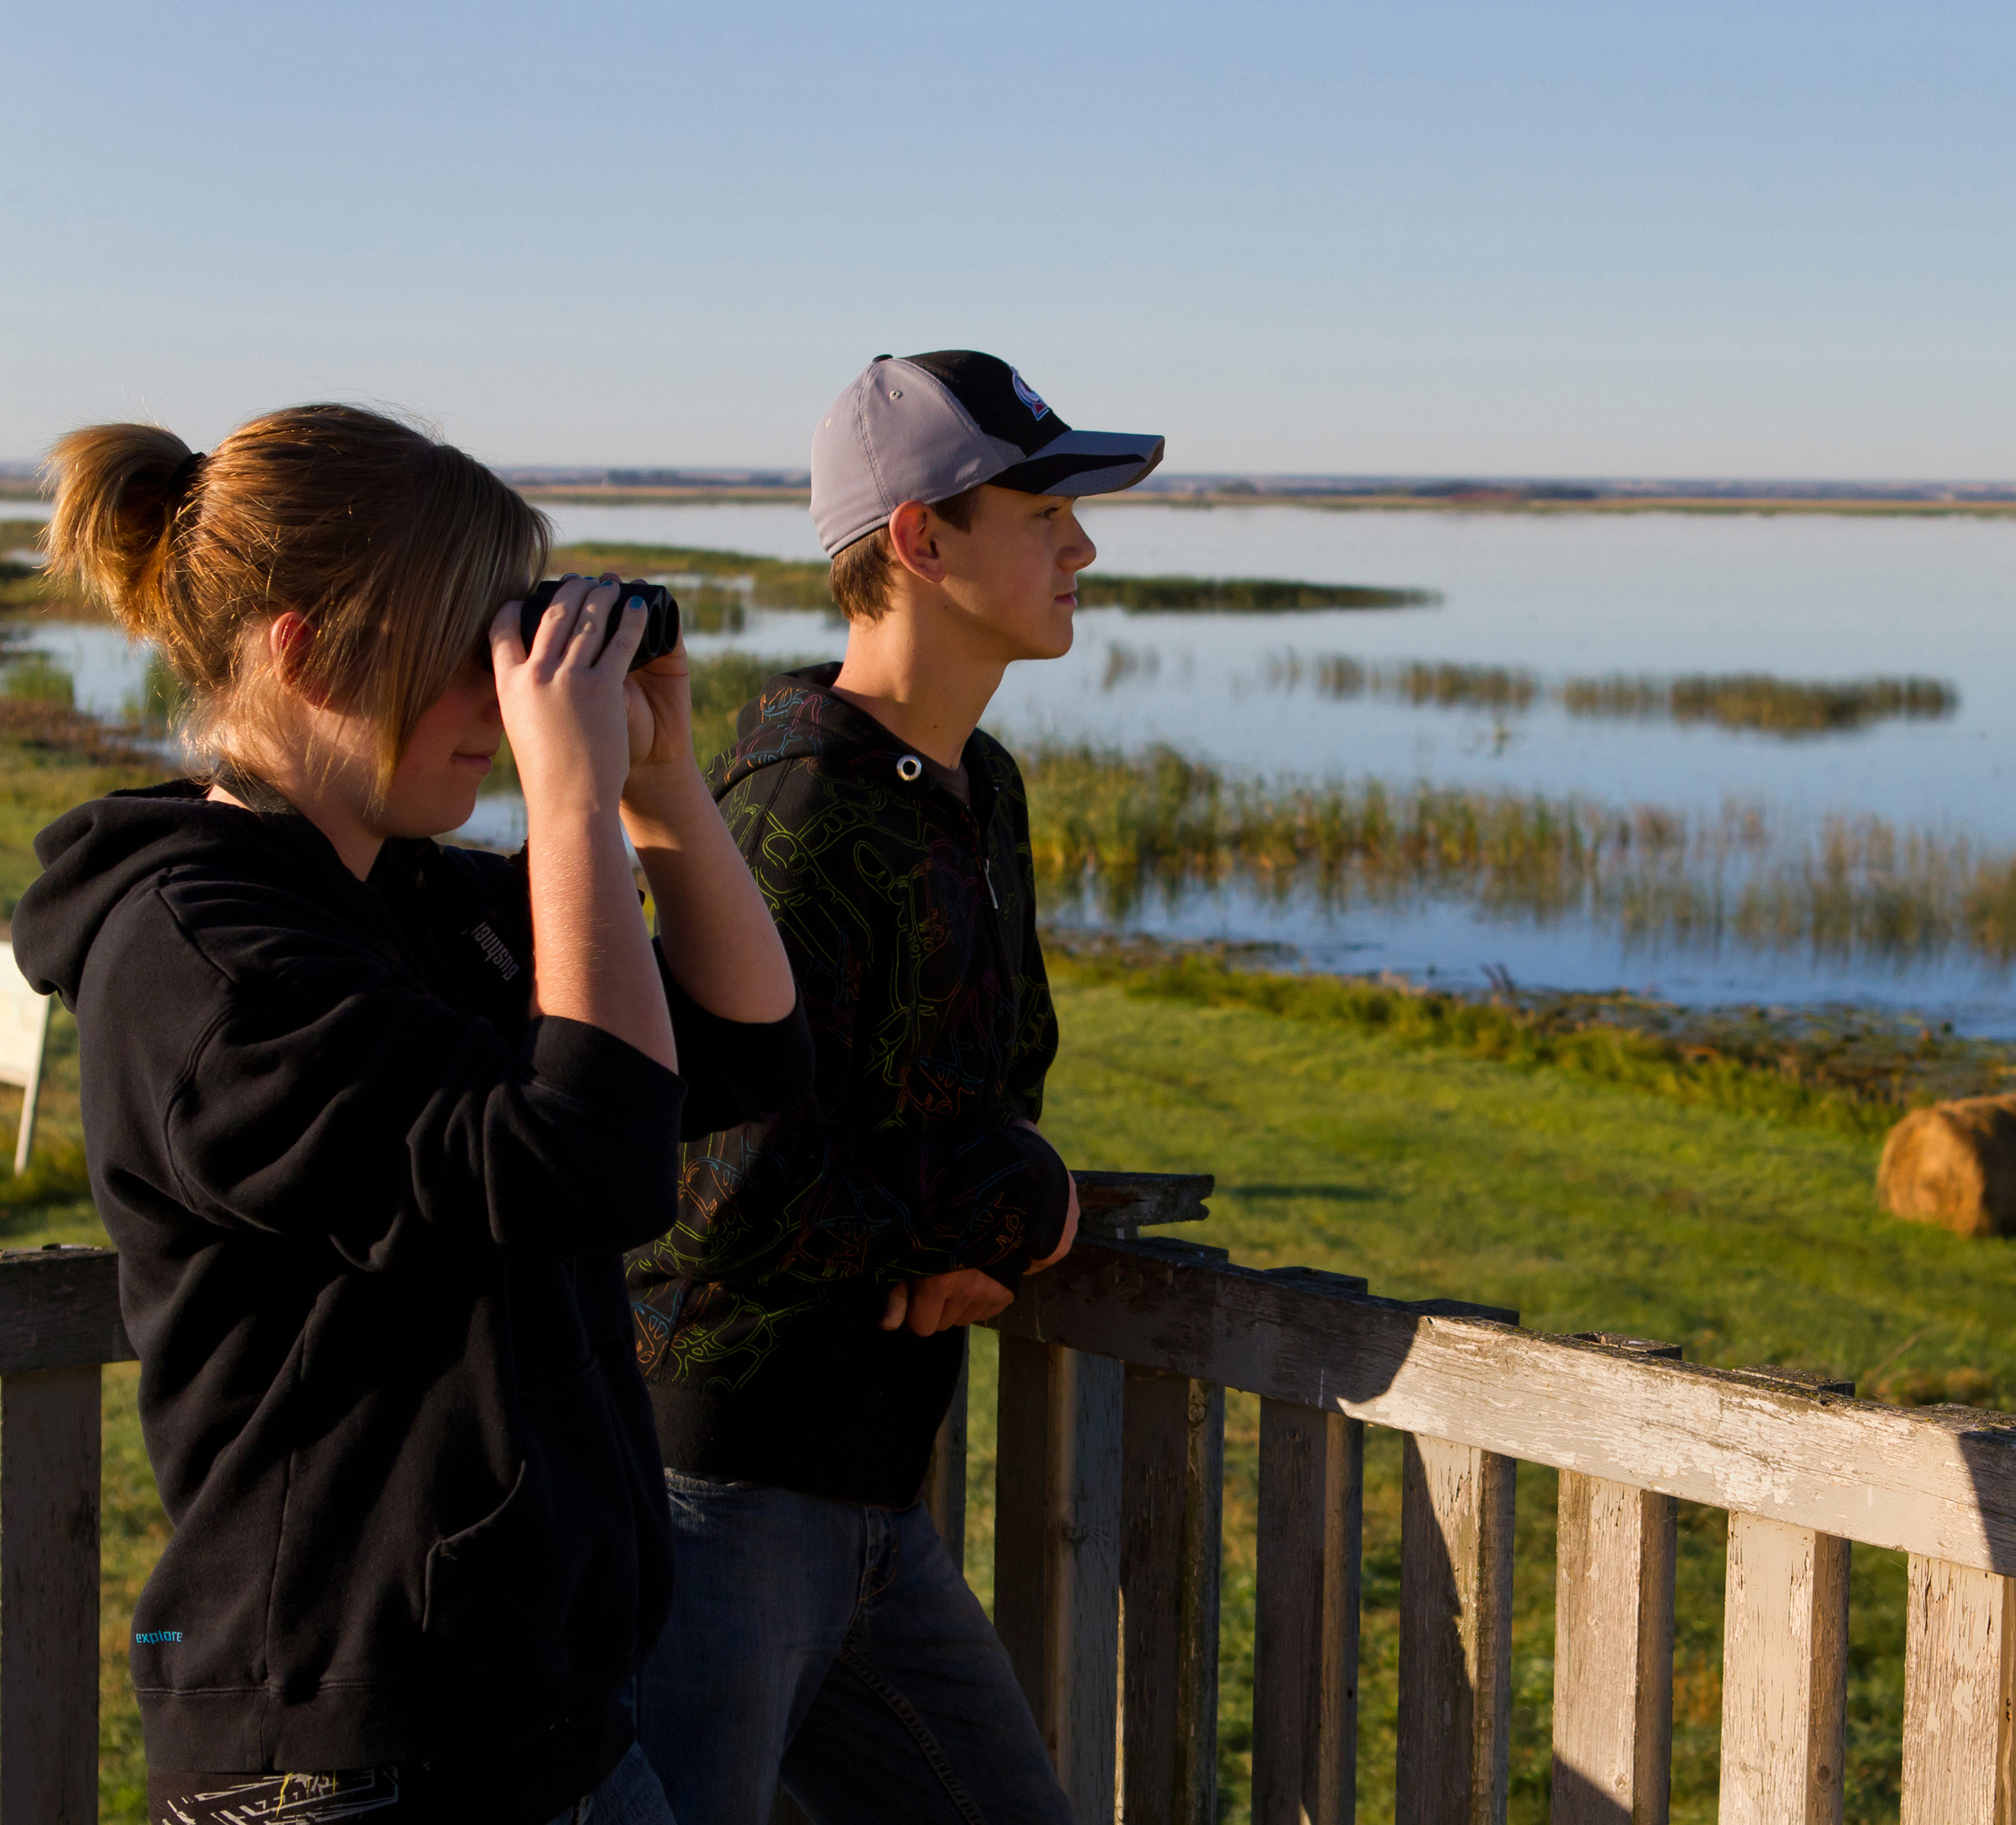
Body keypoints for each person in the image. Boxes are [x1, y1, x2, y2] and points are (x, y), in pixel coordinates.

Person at [12, 406, 811, 1824]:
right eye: (470, 649)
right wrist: (566, 807)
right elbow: (590, 1162)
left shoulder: (415, 901)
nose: (500, 701)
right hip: (346, 1759)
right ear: (305, 649)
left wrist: (662, 787)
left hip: (546, 1721)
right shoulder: (200, 956)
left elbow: (746, 1047)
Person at [624, 352, 1160, 1824]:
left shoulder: (979, 787)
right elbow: (717, 1187)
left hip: (871, 1495)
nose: (1084, 545)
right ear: (921, 539)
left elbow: (992, 1095)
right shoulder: (794, 810)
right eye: (1043, 508)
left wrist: (986, 1229)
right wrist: (1010, 1209)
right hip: (719, 1497)